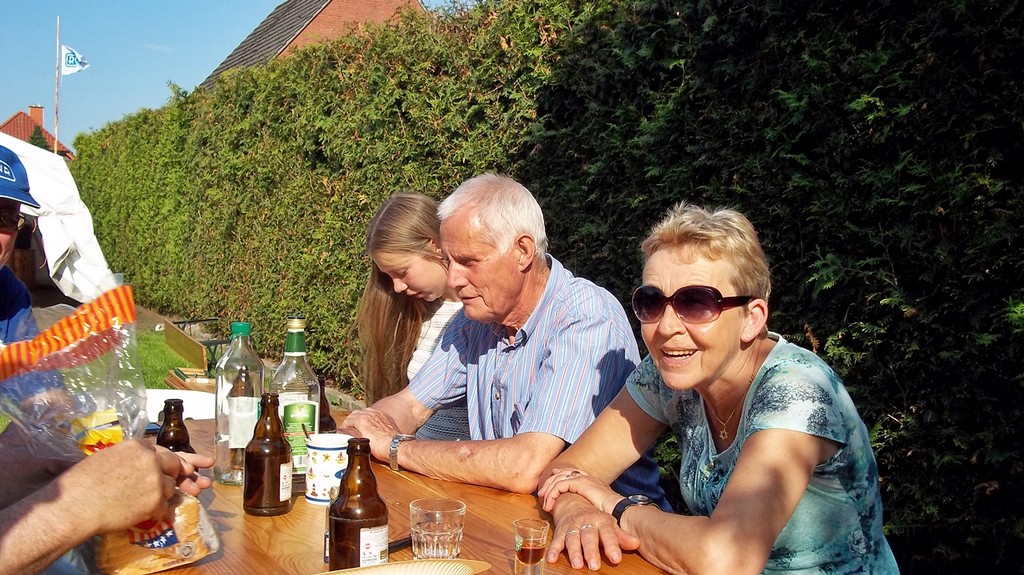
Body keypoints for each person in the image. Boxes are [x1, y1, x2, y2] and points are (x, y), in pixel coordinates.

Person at [537, 202, 899, 574]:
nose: (666, 327)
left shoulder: (796, 392)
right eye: (651, 302)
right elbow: (566, 470)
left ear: (752, 319)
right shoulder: (669, 371)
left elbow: (726, 559)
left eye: (696, 303)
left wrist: (617, 506)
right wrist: (576, 509)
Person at [341, 173, 667, 506]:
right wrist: (360, 432)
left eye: (468, 261)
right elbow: (410, 404)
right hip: (508, 514)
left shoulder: (585, 318)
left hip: (611, 525)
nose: (453, 279)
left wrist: (395, 447)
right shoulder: (474, 322)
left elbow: (525, 466)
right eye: (449, 262)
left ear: (523, 251)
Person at [0, 144, 214, 575]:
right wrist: (80, 503)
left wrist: (105, 453)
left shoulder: (6, 294)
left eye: (5, 217)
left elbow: (46, 408)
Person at [355, 192, 468, 440]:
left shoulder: (481, 315)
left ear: (435, 245)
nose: (397, 287)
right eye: (389, 277)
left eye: (402, 272)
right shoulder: (415, 313)